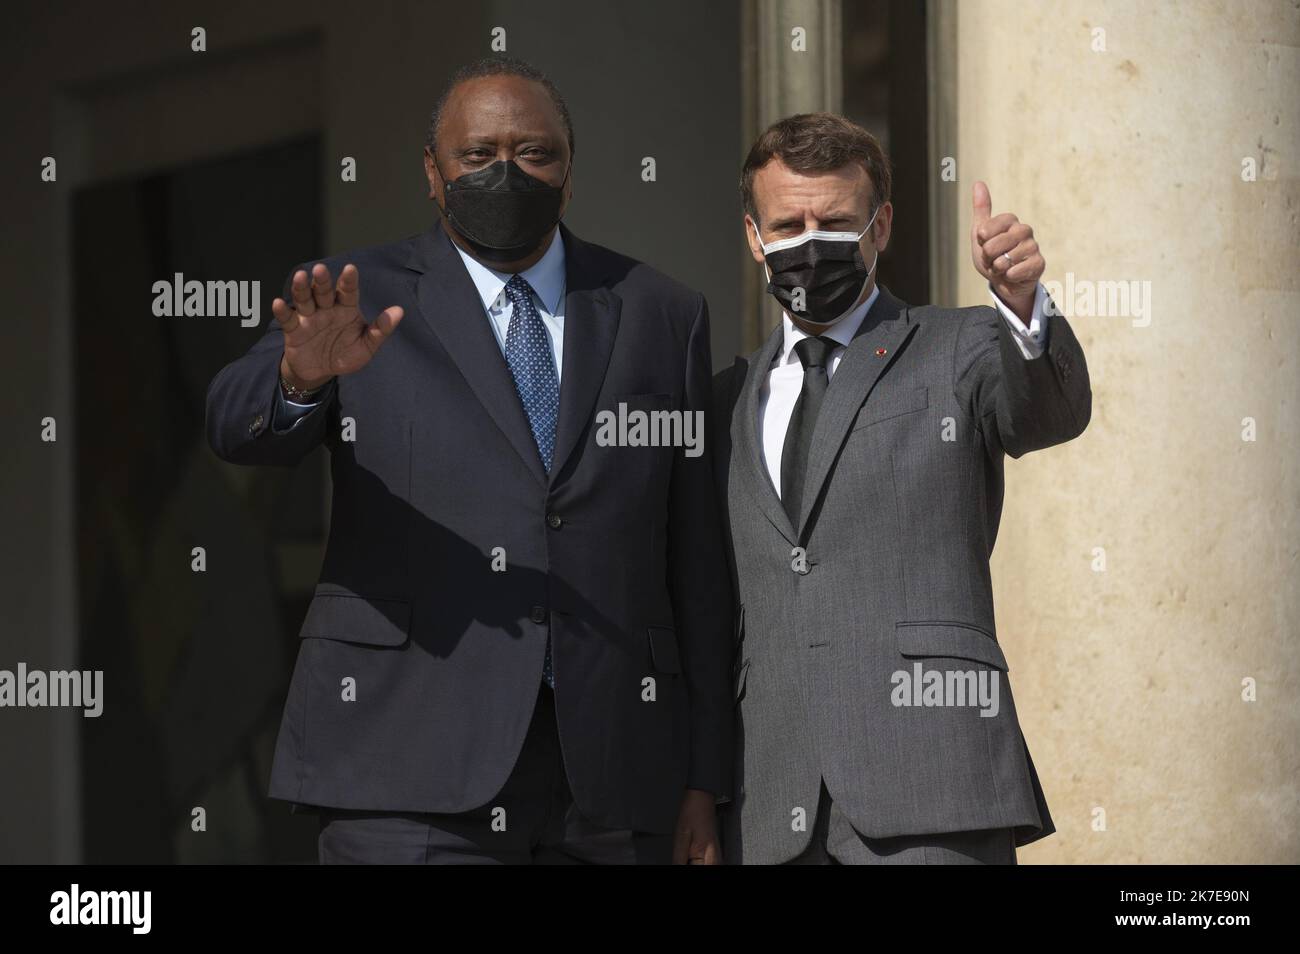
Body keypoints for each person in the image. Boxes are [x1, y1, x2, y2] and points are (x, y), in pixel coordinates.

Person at [205, 56, 731, 864]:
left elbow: (696, 561)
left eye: (534, 153)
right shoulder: (359, 295)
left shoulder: (661, 312)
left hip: (612, 779)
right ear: (432, 171)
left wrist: (704, 774)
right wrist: (299, 376)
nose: (506, 172)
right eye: (478, 155)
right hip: (405, 764)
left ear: (569, 169)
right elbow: (235, 426)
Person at [713, 112, 1091, 864]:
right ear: (755, 237)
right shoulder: (725, 397)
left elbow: (1044, 412)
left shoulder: (958, 346)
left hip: (932, 789)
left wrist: (1021, 306)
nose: (810, 242)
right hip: (768, 803)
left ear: (880, 227)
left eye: (837, 222)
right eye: (788, 224)